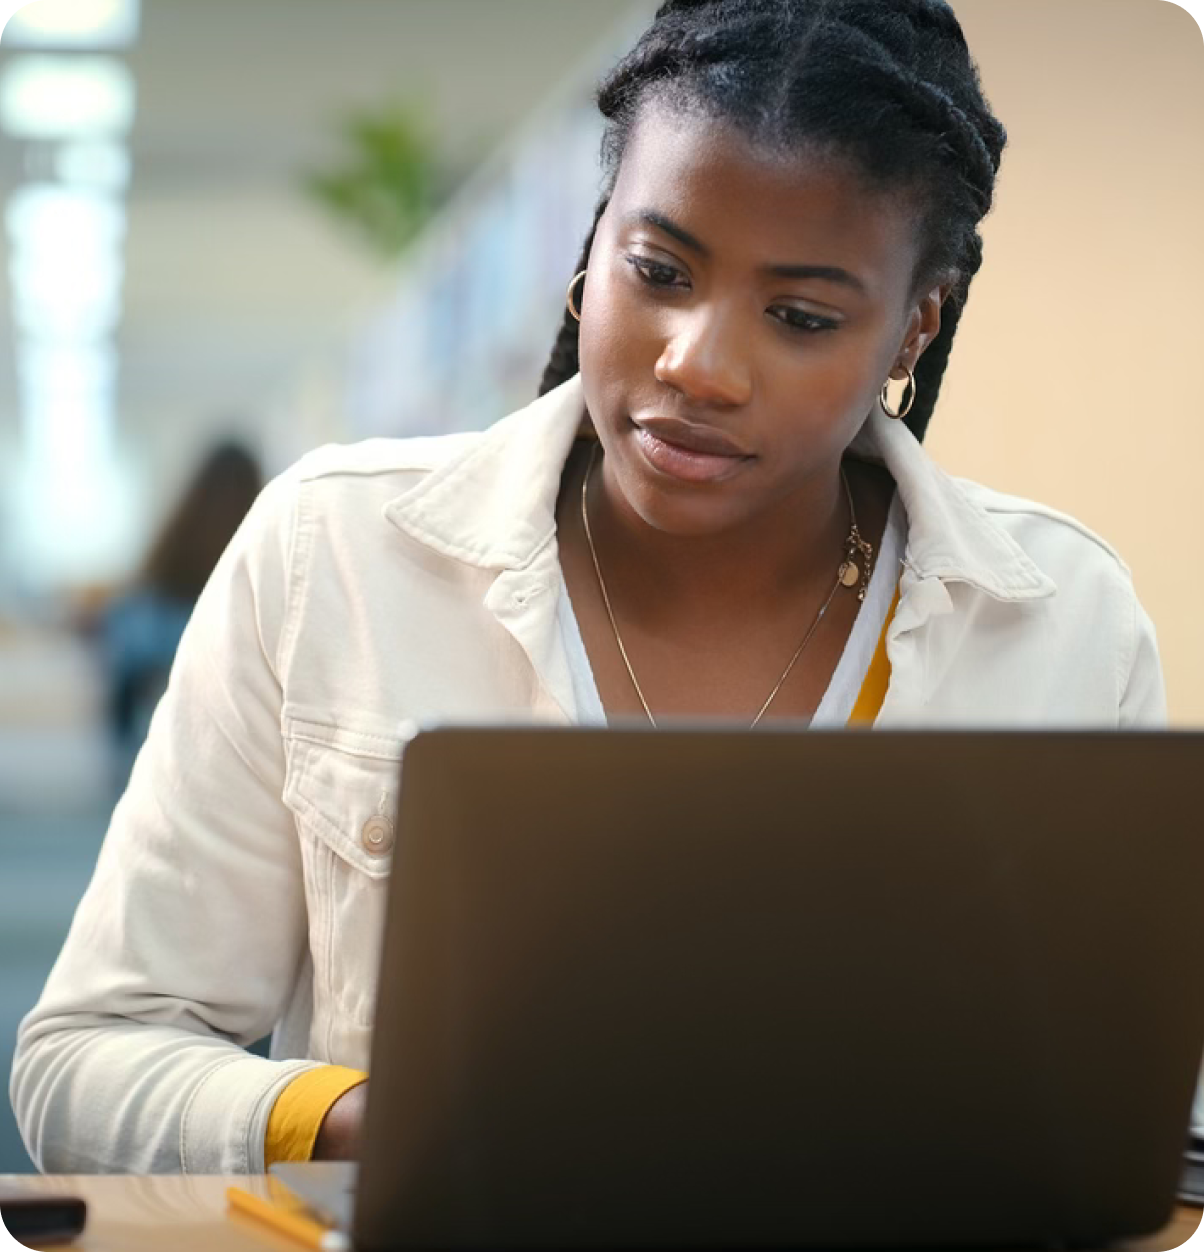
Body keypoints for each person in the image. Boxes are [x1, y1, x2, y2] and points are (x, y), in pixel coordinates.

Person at [10, 0, 1170, 1177]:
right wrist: (387, 1120)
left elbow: (1139, 1106)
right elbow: (85, 1062)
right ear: (590, 242)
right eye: (658, 269)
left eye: (800, 316)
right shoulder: (336, 555)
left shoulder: (1060, 624)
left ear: (912, 330)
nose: (696, 364)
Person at [94, 442, 263, 794]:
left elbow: (121, 692)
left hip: (158, 773)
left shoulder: (156, 582)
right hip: (237, 778)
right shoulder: (258, 575)